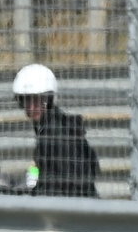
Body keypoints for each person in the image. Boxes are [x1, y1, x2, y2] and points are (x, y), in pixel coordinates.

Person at [13, 63, 99, 198]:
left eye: (39, 100)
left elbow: (68, 184)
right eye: (27, 100)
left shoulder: (56, 134)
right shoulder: (51, 128)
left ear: (50, 100)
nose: (32, 107)